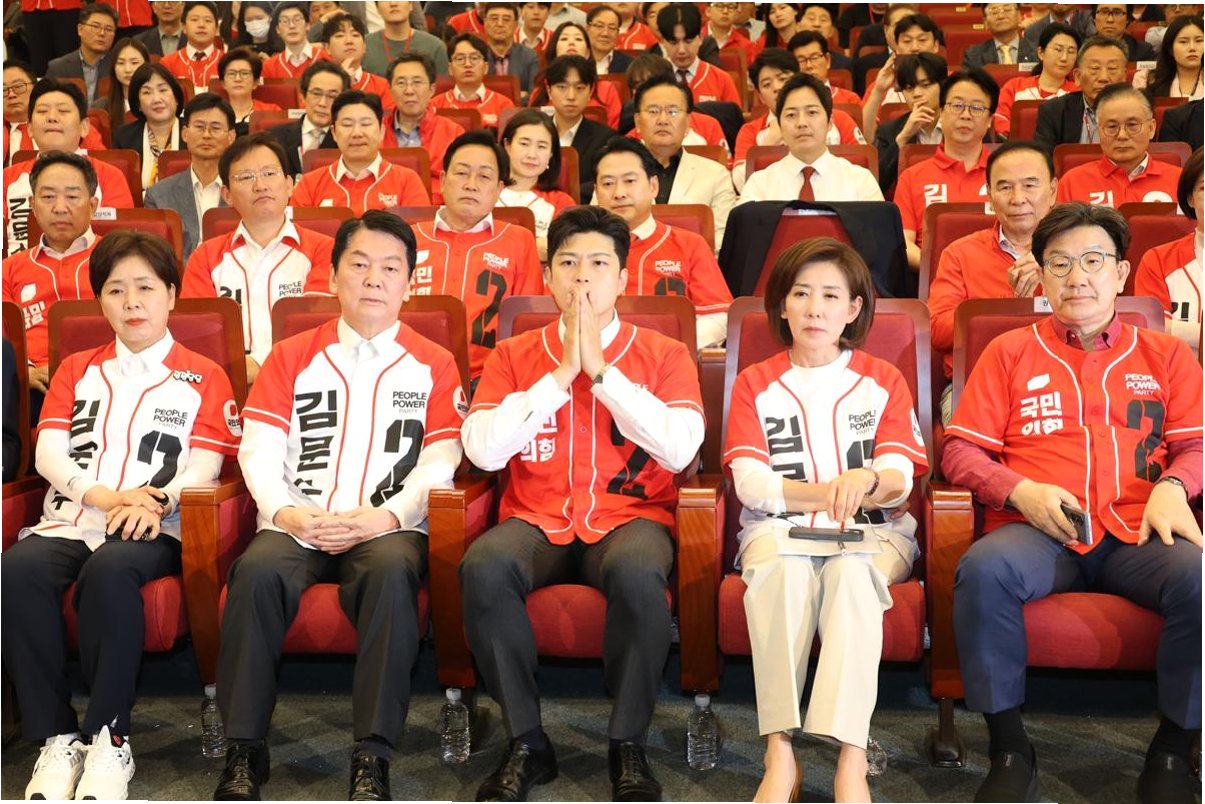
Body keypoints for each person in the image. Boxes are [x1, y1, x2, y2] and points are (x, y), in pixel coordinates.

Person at [944, 201, 1203, 804]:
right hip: (1040, 531)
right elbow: (960, 451)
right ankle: (1010, 749)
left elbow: (1197, 445)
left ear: (1121, 272)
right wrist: (1019, 490)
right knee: (985, 569)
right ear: (1040, 275)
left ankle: (1172, 750)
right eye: (1059, 263)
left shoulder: (1167, 355)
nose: (1076, 277)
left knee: (1202, 580)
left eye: (1092, 261)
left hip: (1139, 530)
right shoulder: (1009, 351)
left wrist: (1173, 487)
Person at [213, 210, 464, 802]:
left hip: (387, 525)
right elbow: (258, 448)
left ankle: (373, 754)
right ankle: (244, 749)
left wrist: (389, 516)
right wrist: (285, 512)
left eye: (390, 268)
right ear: (331, 276)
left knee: (392, 575)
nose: (374, 279)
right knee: (255, 573)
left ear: (409, 284)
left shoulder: (434, 362)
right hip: (298, 519)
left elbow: (440, 461)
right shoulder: (290, 354)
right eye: (359, 264)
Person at [459, 205, 704, 803]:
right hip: (535, 519)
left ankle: (627, 743)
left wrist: (600, 373)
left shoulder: (664, 353)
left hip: (629, 519)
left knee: (640, 572)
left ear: (623, 278)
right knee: (485, 565)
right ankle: (526, 741)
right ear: (548, 277)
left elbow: (680, 448)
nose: (582, 278)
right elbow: (483, 450)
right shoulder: (513, 354)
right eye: (568, 264)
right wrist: (560, 374)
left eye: (598, 264)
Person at [1, 228, 239, 801]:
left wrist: (157, 500)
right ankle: (56, 736)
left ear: (172, 295)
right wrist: (105, 497)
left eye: (145, 287)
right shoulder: (76, 369)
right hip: (75, 516)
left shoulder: (204, 374)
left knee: (110, 572)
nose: (132, 302)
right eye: (115, 290)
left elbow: (206, 465)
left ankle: (109, 737)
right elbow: (48, 453)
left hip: (156, 524)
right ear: (100, 301)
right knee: (16, 570)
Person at [724, 237, 927, 804]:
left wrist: (866, 480)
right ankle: (779, 753)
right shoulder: (755, 382)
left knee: (852, 578)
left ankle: (851, 758)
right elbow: (752, 485)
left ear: (854, 308)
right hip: (777, 531)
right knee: (783, 577)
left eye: (831, 295)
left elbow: (899, 476)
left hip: (873, 533)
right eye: (801, 293)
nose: (815, 308)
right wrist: (829, 490)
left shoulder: (882, 379)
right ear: (782, 305)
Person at [183, 132, 334, 385]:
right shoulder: (206, 258)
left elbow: (317, 328)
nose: (260, 185)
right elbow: (198, 337)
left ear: (289, 184)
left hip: (304, 382)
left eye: (269, 173)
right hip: (227, 386)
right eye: (245, 177)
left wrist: (257, 366)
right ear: (227, 194)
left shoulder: (324, 250)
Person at [929, 141, 1057, 422]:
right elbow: (937, 329)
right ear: (989, 195)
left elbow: (1099, 322)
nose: (1018, 198)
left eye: (1030, 185)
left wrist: (1055, 275)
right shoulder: (959, 253)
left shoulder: (1076, 254)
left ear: (1053, 191)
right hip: (978, 380)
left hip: (1062, 378)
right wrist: (1009, 307)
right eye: (1005, 187)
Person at [411, 131, 543, 379]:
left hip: (489, 379)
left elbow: (527, 327)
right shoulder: (407, 238)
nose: (471, 184)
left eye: (484, 176)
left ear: (499, 189)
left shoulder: (519, 241)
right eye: (461, 173)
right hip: (409, 376)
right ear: (442, 180)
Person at [594, 137, 732, 348]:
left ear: (653, 186)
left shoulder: (690, 245)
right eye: (608, 184)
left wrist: (664, 347)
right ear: (596, 192)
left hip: (669, 358)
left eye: (629, 181)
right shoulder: (580, 250)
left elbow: (718, 317)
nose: (619, 193)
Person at [1, 152, 101, 414]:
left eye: (72, 196)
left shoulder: (119, 260)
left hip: (106, 380)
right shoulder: (8, 269)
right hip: (31, 388)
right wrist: (25, 371)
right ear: (33, 206)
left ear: (93, 204)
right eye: (47, 197)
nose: (59, 207)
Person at [3, 79, 135, 258]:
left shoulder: (109, 176)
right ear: (30, 128)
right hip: (18, 269)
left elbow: (119, 241)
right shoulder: (7, 178)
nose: (51, 117)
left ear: (84, 127)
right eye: (42, 111)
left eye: (63, 111)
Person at [895, 68, 998, 271]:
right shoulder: (912, 177)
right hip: (934, 277)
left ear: (989, 120)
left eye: (977, 108)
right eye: (957, 105)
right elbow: (904, 243)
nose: (966, 115)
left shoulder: (1006, 176)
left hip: (996, 278)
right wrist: (946, 268)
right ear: (941, 112)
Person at [734, 48, 868, 192]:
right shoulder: (750, 131)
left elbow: (863, 165)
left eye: (783, 79)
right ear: (760, 96)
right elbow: (740, 184)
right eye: (767, 84)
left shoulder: (838, 119)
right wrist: (768, 144)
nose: (777, 88)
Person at [740, 73, 883, 204]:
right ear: (780, 126)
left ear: (829, 123)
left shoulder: (860, 181)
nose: (802, 123)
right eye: (791, 115)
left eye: (812, 112)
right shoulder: (759, 185)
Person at [629, 74, 735, 248]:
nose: (663, 120)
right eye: (653, 111)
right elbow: (600, 231)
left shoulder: (715, 175)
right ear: (637, 122)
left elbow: (723, 240)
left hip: (695, 263)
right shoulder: (615, 171)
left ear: (688, 122)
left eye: (672, 112)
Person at [290, 89, 430, 214]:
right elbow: (295, 233)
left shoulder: (407, 181)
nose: (356, 133)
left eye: (365, 124)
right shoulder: (309, 184)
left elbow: (421, 231)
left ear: (381, 131)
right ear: (334, 133)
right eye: (347, 124)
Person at [1056, 84, 1183, 208]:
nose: (1122, 135)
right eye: (1112, 126)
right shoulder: (1072, 182)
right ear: (1099, 131)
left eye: (1132, 125)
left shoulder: (1180, 180)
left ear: (1151, 128)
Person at [144, 93, 235, 262]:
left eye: (215, 128)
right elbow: (154, 254)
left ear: (231, 137)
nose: (206, 135)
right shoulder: (158, 195)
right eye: (199, 127)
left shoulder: (245, 191)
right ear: (185, 134)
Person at [1135, 147, 1204, 355]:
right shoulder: (1158, 261)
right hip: (1176, 373)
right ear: (1190, 199)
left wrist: (1180, 330)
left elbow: (1167, 328)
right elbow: (1152, 329)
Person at [497, 110, 575, 259]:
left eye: (542, 146)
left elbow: (563, 251)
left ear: (551, 154)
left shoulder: (561, 202)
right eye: (524, 144)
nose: (532, 154)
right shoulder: (485, 191)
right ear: (507, 145)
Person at [871, 52, 948, 195]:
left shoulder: (962, 124)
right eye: (909, 88)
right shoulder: (890, 131)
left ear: (943, 86)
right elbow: (876, 185)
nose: (916, 93)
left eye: (925, 85)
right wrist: (903, 138)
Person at [382, 53, 464, 183]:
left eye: (417, 82)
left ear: (432, 90)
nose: (409, 91)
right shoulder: (375, 132)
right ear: (390, 90)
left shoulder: (453, 133)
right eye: (401, 83)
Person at [859, 11, 943, 139]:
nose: (915, 47)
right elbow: (866, 138)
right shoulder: (879, 88)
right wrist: (878, 90)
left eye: (922, 40)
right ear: (897, 48)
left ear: (936, 45)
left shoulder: (953, 82)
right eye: (907, 41)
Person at [544, 54, 616, 200]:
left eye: (579, 88)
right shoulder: (534, 134)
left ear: (590, 91)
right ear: (549, 90)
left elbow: (604, 183)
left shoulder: (606, 139)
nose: (571, 96)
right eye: (562, 87)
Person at [994, 23, 1080, 137]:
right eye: (1058, 49)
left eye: (1071, 52)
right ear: (1041, 53)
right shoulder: (1014, 87)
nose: (1064, 58)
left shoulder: (1078, 93)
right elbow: (1000, 121)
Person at [268, 60, 349, 180]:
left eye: (332, 96)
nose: (322, 103)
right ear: (302, 97)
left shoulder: (347, 142)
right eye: (316, 94)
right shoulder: (274, 137)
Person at [113, 63, 185, 192]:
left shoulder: (194, 132)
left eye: (163, 90)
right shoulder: (124, 137)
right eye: (147, 92)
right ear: (138, 104)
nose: (157, 99)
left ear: (177, 98)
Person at [657, 3, 741, 105]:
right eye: (674, 43)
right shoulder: (653, 79)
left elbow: (734, 115)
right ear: (662, 41)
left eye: (688, 41)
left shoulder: (722, 80)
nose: (681, 50)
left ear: (700, 38)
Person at [431, 33, 516, 128]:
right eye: (460, 59)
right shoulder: (434, 105)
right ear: (450, 69)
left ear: (486, 67)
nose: (467, 64)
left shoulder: (503, 105)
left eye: (474, 58)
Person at [44, 2, 117, 103]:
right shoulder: (58, 68)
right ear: (80, 29)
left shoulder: (118, 66)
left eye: (108, 29)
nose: (102, 33)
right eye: (95, 26)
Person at [323, 13, 392, 110]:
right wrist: (342, 84)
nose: (349, 41)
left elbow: (388, 117)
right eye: (340, 36)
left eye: (355, 35)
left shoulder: (382, 85)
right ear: (327, 48)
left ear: (364, 47)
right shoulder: (318, 83)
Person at [364, 1, 449, 77]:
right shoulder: (363, 45)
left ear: (411, 4)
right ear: (377, 8)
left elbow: (441, 87)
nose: (393, 3)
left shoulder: (435, 46)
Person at [158, 1, 225, 96]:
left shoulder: (227, 62)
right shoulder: (167, 63)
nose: (201, 25)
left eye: (207, 20)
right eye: (194, 20)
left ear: (217, 28)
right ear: (183, 27)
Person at [1135, 15, 1204, 100]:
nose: (1192, 48)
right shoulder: (1146, 79)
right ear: (1170, 49)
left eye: (1199, 41)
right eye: (1183, 42)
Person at [219, 47, 282, 136]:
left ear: (255, 82)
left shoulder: (272, 111)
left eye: (244, 73)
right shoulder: (215, 113)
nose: (238, 79)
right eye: (231, 73)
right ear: (223, 83)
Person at [482, 3, 539, 97]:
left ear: (516, 25)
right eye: (494, 19)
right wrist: (516, 95)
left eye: (506, 19)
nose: (500, 24)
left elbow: (534, 97)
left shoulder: (529, 56)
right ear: (485, 23)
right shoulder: (477, 56)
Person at [260, 2, 329, 80]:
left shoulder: (326, 58)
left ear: (308, 25)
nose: (292, 26)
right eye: (285, 21)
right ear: (277, 29)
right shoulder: (269, 66)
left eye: (297, 20)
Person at [788, 31, 860, 104]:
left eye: (814, 58)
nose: (809, 66)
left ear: (828, 60)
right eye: (801, 60)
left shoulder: (850, 99)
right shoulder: (787, 101)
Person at [962, 3, 1039, 68]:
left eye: (1007, 10)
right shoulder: (973, 55)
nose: (1001, 16)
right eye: (994, 12)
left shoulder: (1037, 51)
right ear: (985, 22)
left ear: (1019, 16)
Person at [92, 37, 148, 121]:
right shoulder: (101, 107)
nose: (127, 69)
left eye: (134, 63)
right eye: (121, 63)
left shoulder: (156, 103)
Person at [1091, 2, 1156, 61]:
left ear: (1127, 19)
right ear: (1094, 18)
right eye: (1104, 12)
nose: (1110, 20)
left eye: (1117, 13)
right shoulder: (1085, 48)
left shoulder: (1144, 52)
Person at [3, 60, 37, 164]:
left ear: (35, 88)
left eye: (18, 86)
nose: (11, 95)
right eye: (3, 90)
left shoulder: (55, 124)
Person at [587, 5, 633, 75]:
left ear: (618, 33)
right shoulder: (575, 61)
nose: (605, 33)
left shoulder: (630, 65)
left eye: (612, 28)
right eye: (599, 26)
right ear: (587, 29)